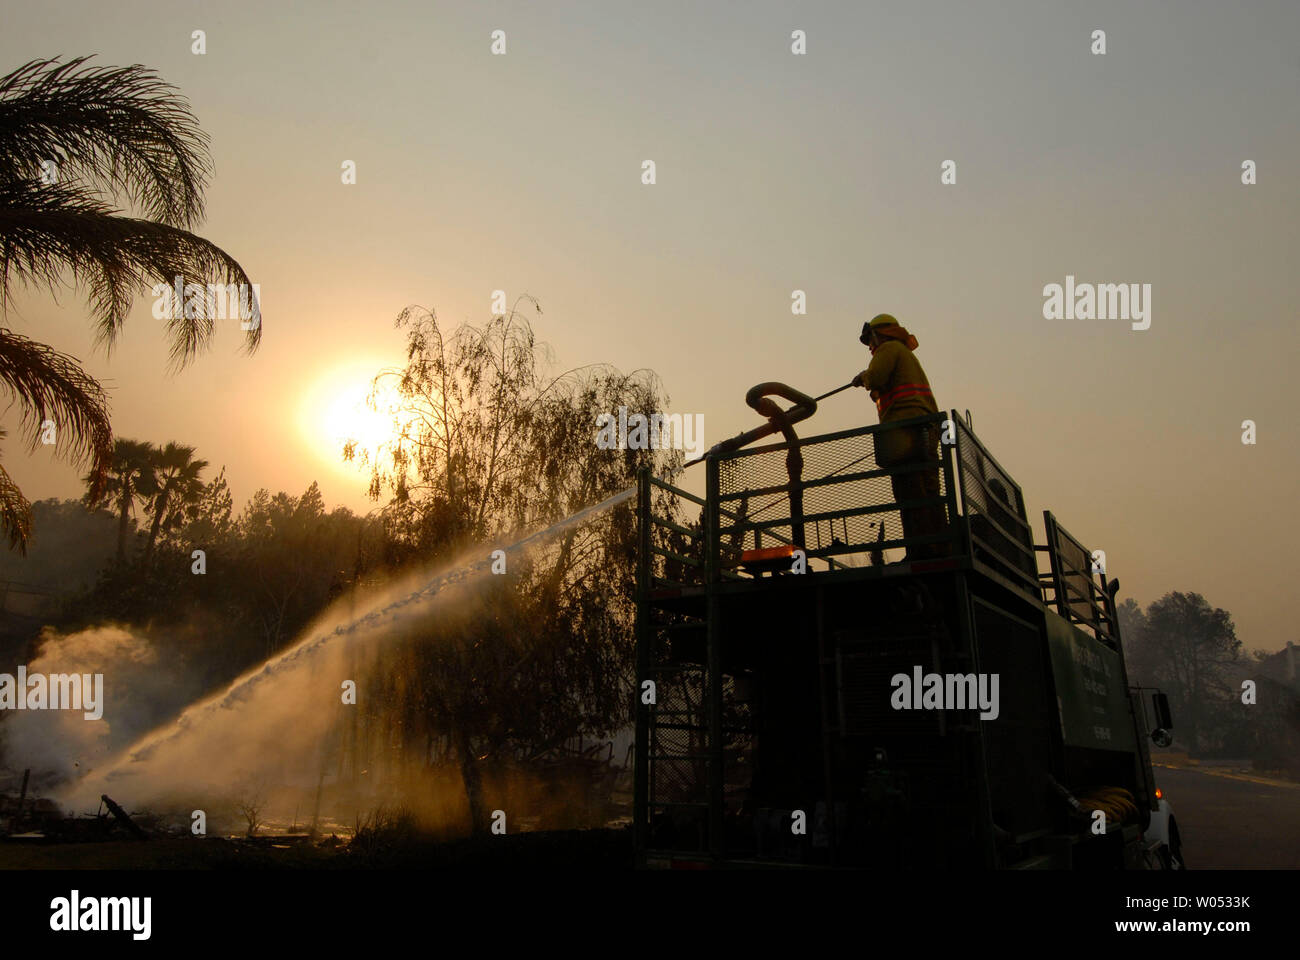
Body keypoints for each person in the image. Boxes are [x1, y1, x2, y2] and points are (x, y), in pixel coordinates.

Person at [853, 314, 948, 560]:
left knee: (909, 491)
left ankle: (921, 551)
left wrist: (864, 378)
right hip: (923, 429)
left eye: (870, 341)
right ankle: (939, 547)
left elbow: (876, 377)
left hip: (906, 431)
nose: (871, 347)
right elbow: (882, 385)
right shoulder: (904, 354)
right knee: (928, 491)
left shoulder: (888, 349)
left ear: (878, 334)